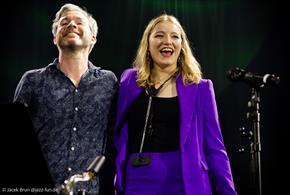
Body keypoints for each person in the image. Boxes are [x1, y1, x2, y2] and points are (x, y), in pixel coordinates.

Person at [113, 14, 237, 195]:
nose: (167, 41)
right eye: (159, 35)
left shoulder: (200, 88)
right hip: (136, 180)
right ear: (147, 44)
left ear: (182, 46)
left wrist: (228, 191)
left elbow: (215, 148)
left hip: (185, 181)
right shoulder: (129, 81)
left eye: (174, 36)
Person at [13, 3, 118, 194]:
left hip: (87, 190)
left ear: (93, 38)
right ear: (55, 38)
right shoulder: (33, 80)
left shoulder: (108, 82)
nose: (71, 25)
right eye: (64, 22)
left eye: (79, 22)